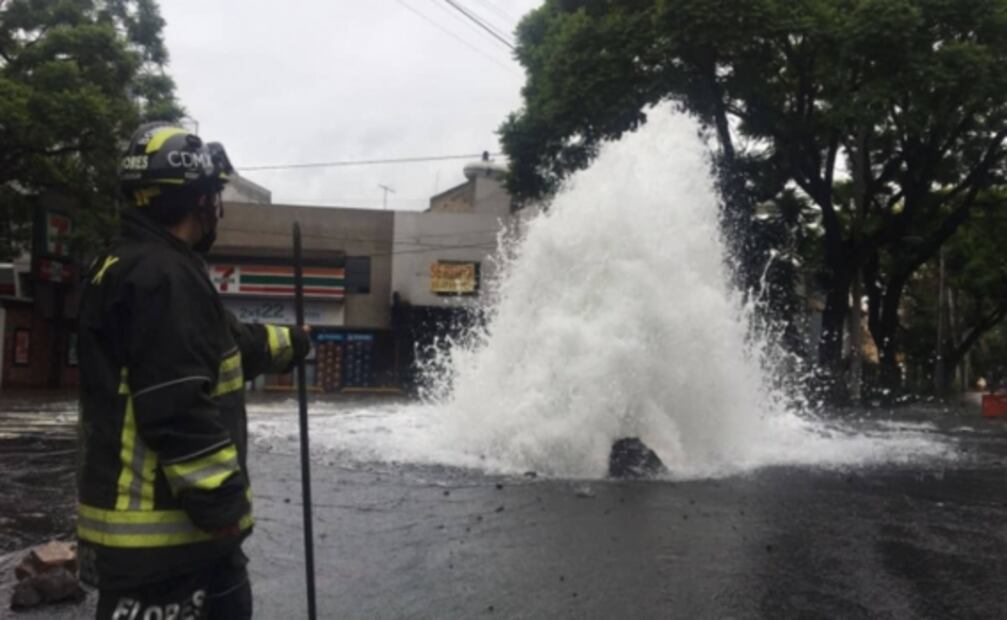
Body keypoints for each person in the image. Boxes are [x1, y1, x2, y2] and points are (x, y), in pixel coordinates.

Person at [76, 123, 311, 619]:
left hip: (156, 542)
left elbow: (227, 346)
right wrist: (223, 508)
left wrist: (293, 343)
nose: (217, 209)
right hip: (167, 546)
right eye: (214, 196)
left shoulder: (136, 265)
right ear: (198, 201)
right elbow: (177, 403)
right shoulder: (163, 278)